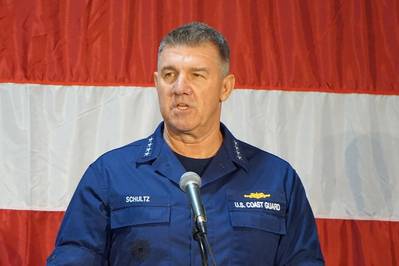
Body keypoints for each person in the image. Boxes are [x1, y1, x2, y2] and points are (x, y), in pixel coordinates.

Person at [47, 22, 324, 265]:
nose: (180, 87)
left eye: (197, 75)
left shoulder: (276, 178)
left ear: (225, 88)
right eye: (169, 75)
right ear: (157, 84)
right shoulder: (110, 174)